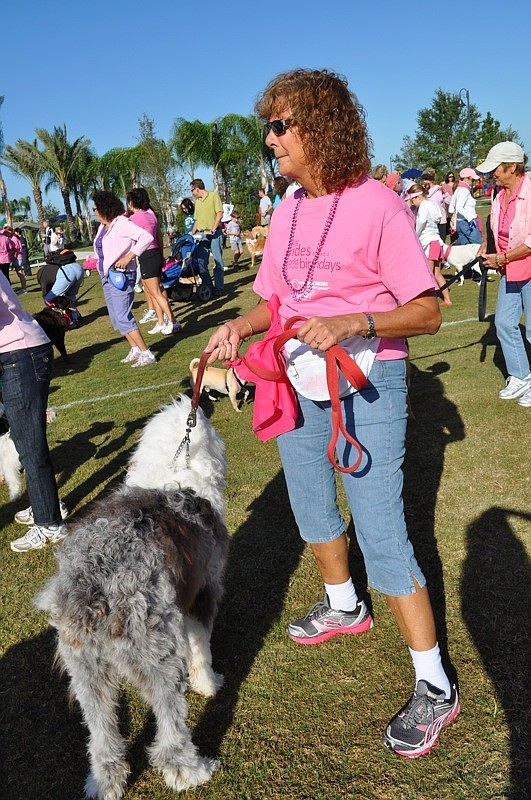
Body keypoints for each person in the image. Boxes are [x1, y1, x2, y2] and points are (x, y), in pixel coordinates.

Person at [204, 68, 459, 758]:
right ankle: (344, 607)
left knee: (381, 533)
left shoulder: (377, 203)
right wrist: (241, 326)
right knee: (311, 509)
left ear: (320, 127)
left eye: (280, 125)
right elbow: (277, 302)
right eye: (269, 126)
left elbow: (429, 311)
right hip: (296, 379)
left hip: (368, 382)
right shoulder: (286, 206)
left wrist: (356, 320)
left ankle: (435, 685)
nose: (270, 138)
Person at [0, 271, 68, 552]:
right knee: (21, 435)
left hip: (21, 354)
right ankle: (46, 504)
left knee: (30, 444)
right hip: (15, 354)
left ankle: (50, 524)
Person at [476, 142, 531, 406]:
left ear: (512, 166)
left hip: (524, 266)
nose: (491, 174)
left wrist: (504, 257)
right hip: (510, 268)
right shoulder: (499, 194)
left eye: (495, 169)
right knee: (504, 324)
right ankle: (520, 376)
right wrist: (488, 249)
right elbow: (496, 227)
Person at [92, 190, 157, 367]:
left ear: (104, 208)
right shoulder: (102, 227)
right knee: (115, 317)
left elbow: (146, 237)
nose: (94, 211)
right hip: (106, 275)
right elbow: (104, 249)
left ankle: (146, 353)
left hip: (121, 275)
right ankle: (135, 349)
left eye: (95, 208)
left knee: (122, 315)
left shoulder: (122, 223)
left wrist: (129, 256)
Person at [126, 187, 181, 336]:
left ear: (131, 203)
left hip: (147, 255)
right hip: (155, 253)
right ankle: (161, 322)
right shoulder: (151, 216)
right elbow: (158, 237)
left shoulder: (133, 219)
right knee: (156, 290)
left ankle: (173, 321)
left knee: (155, 292)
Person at [405, 184, 452, 305]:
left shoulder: (424, 206)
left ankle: (431, 300)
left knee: (429, 273)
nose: (413, 202)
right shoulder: (432, 204)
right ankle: (447, 299)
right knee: (437, 272)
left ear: (418, 197)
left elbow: (421, 222)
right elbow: (438, 218)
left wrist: (415, 234)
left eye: (413, 199)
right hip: (436, 241)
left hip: (429, 242)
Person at [190, 179, 224, 296]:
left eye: (192, 190)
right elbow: (197, 220)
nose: (192, 193)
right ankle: (208, 286)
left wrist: (213, 229)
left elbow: (219, 213)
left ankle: (219, 288)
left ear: (197, 188)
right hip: (202, 235)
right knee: (201, 262)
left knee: (218, 261)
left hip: (215, 234)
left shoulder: (214, 196)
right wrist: (192, 232)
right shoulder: (198, 202)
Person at [448, 168, 482, 245]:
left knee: (465, 249)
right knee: (478, 247)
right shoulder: (465, 190)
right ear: (467, 178)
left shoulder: (458, 189)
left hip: (459, 223)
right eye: (472, 180)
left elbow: (451, 209)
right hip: (467, 223)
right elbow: (459, 207)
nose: (473, 182)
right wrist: (469, 218)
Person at [420, 170, 448, 241]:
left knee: (441, 241)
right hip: (430, 221)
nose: (425, 181)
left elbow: (447, 201)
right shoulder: (422, 191)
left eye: (427, 179)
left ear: (432, 180)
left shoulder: (440, 189)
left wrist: (445, 193)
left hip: (441, 220)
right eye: (424, 179)